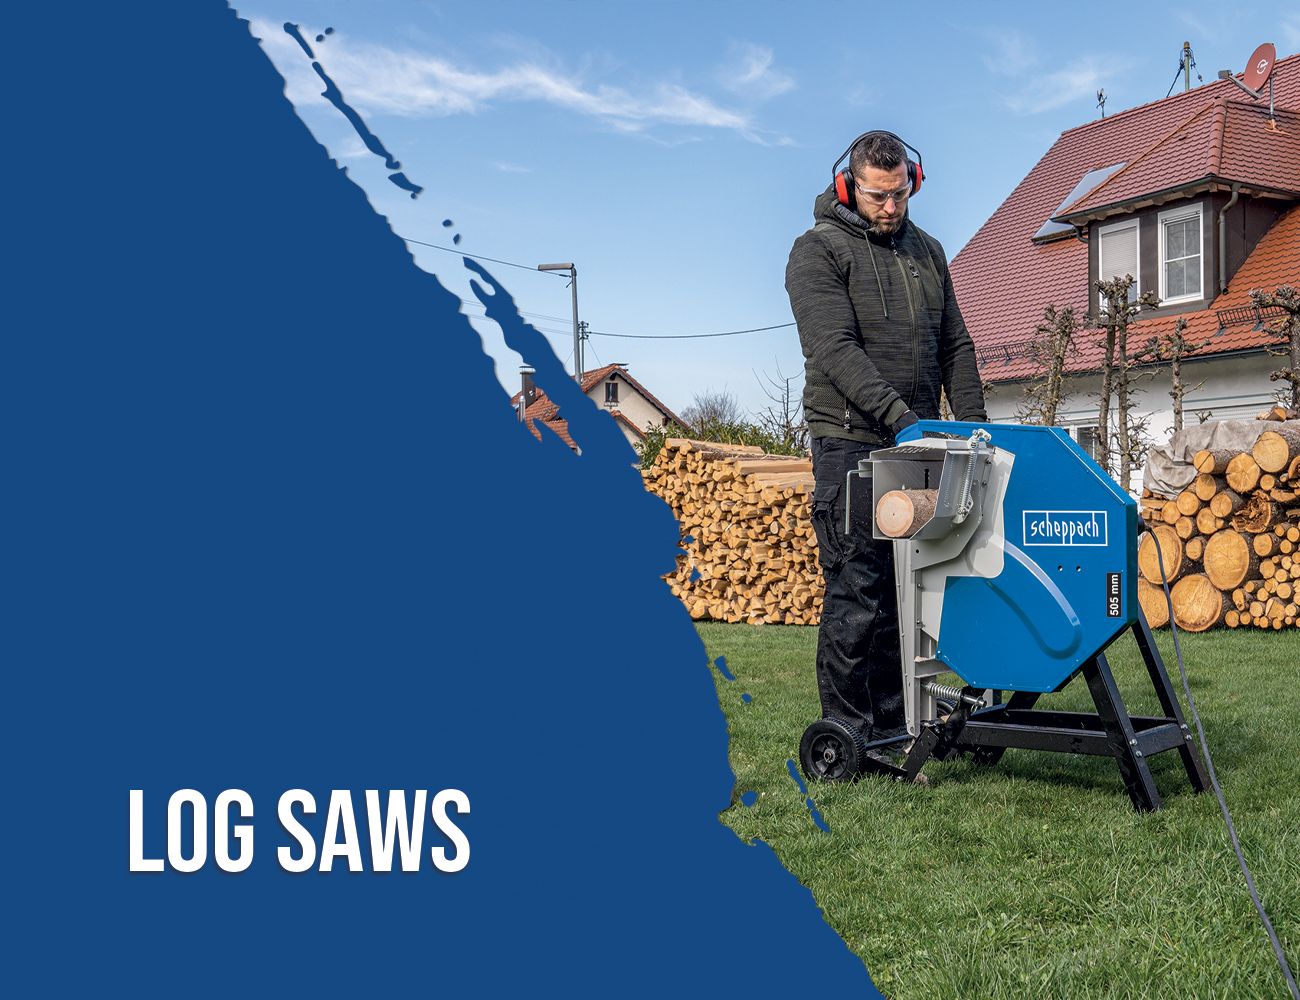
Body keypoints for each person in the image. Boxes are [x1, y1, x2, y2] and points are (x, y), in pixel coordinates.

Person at [785, 130, 986, 747]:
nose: (891, 207)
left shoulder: (927, 252)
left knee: (912, 590)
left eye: (900, 194)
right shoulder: (817, 252)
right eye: (878, 196)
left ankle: (902, 722)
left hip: (917, 441)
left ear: (913, 182)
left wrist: (972, 427)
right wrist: (900, 417)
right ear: (849, 186)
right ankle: (848, 729)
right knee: (859, 585)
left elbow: (955, 344)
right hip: (850, 440)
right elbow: (833, 349)